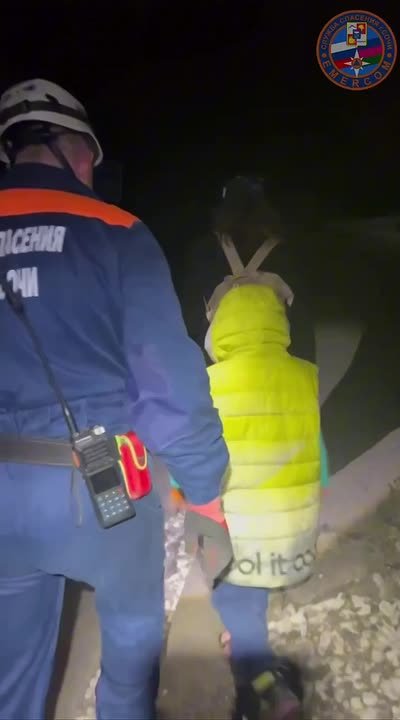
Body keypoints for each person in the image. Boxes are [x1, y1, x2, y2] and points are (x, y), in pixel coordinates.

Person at [0, 78, 231, 720]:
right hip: (102, 485)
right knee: (130, 660)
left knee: (8, 685)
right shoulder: (115, 228)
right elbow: (168, 388)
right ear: (81, 154)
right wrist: (205, 489)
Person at [170, 177, 326, 720]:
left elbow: (187, 339)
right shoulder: (291, 252)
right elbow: (306, 344)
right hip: (287, 404)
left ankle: (261, 682)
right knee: (265, 530)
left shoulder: (200, 253)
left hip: (222, 403)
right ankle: (249, 643)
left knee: (223, 545)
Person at [180, 175, 316, 366]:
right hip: (276, 363)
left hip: (219, 366)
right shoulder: (286, 252)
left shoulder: (204, 251)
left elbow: (191, 319)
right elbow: (302, 322)